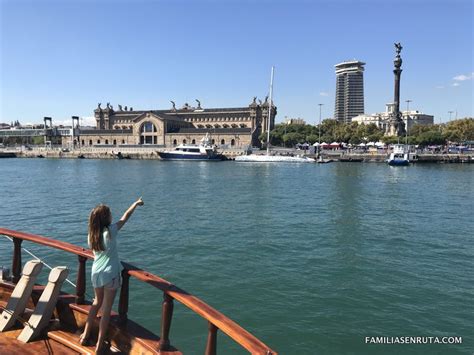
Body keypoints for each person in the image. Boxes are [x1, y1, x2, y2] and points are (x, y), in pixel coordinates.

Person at [79, 197, 144, 353]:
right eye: (109, 214)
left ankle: (85, 334)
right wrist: (134, 204)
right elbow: (125, 217)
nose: (111, 216)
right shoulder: (110, 232)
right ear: (105, 219)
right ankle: (100, 344)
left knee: (96, 303)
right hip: (110, 274)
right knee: (106, 309)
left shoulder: (91, 236)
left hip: (96, 273)